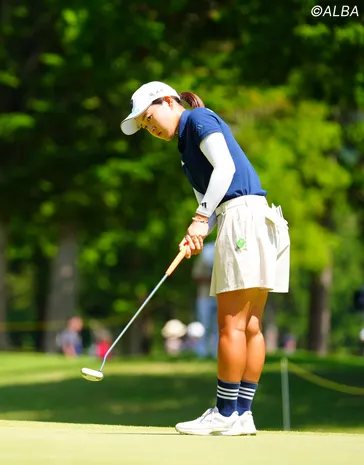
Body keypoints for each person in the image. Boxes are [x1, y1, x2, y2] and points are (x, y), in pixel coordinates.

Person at [120, 81, 290, 436]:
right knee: (250, 326)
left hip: (243, 219)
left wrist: (200, 218)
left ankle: (225, 412)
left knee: (232, 325)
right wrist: (197, 232)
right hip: (253, 218)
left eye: (150, 117)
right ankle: (242, 414)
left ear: (169, 101)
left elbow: (225, 169)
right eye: (144, 126)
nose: (150, 128)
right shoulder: (185, 148)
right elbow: (211, 203)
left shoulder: (197, 119)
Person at [191, 241, 218, 359]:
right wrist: (212, 278)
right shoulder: (203, 259)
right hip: (204, 297)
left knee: (218, 326)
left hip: (219, 297)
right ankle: (202, 352)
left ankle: (216, 351)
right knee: (204, 325)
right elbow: (196, 276)